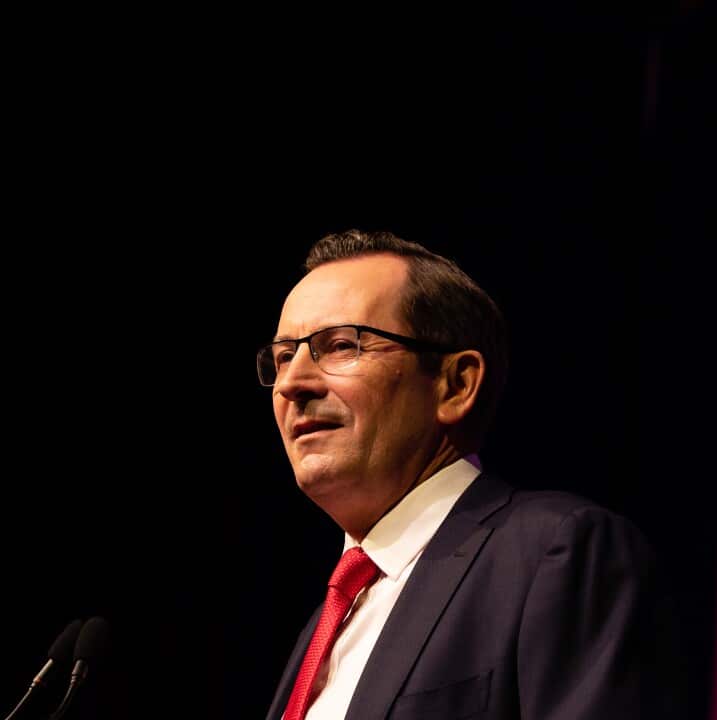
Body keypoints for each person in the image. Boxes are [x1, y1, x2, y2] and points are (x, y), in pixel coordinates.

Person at [259, 230, 684, 719]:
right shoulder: (327, 623)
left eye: (339, 346)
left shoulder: (556, 552)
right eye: (284, 356)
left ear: (456, 384)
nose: (293, 383)